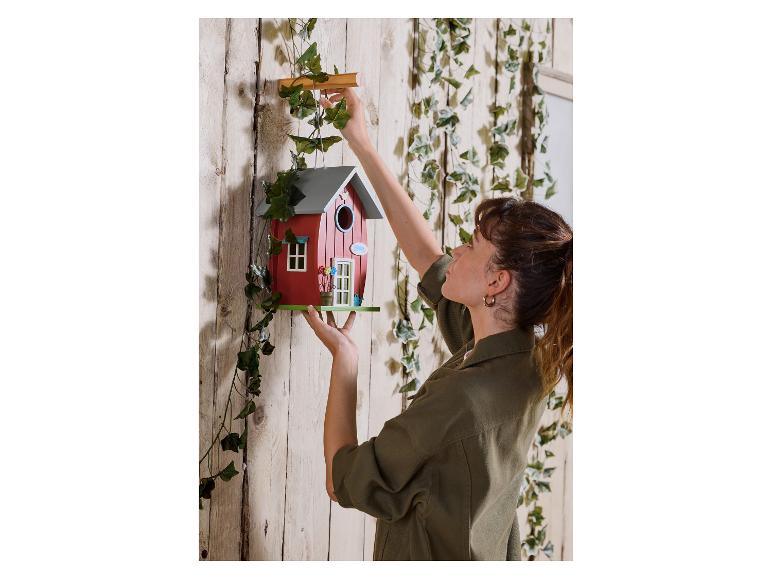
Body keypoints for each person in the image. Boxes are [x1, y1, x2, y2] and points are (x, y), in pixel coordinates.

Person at [301, 87, 573, 560]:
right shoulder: (524, 359)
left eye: (471, 245)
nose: (457, 251)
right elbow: (428, 257)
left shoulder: (461, 401)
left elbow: (342, 477)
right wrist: (360, 140)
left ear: (497, 282)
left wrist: (344, 359)